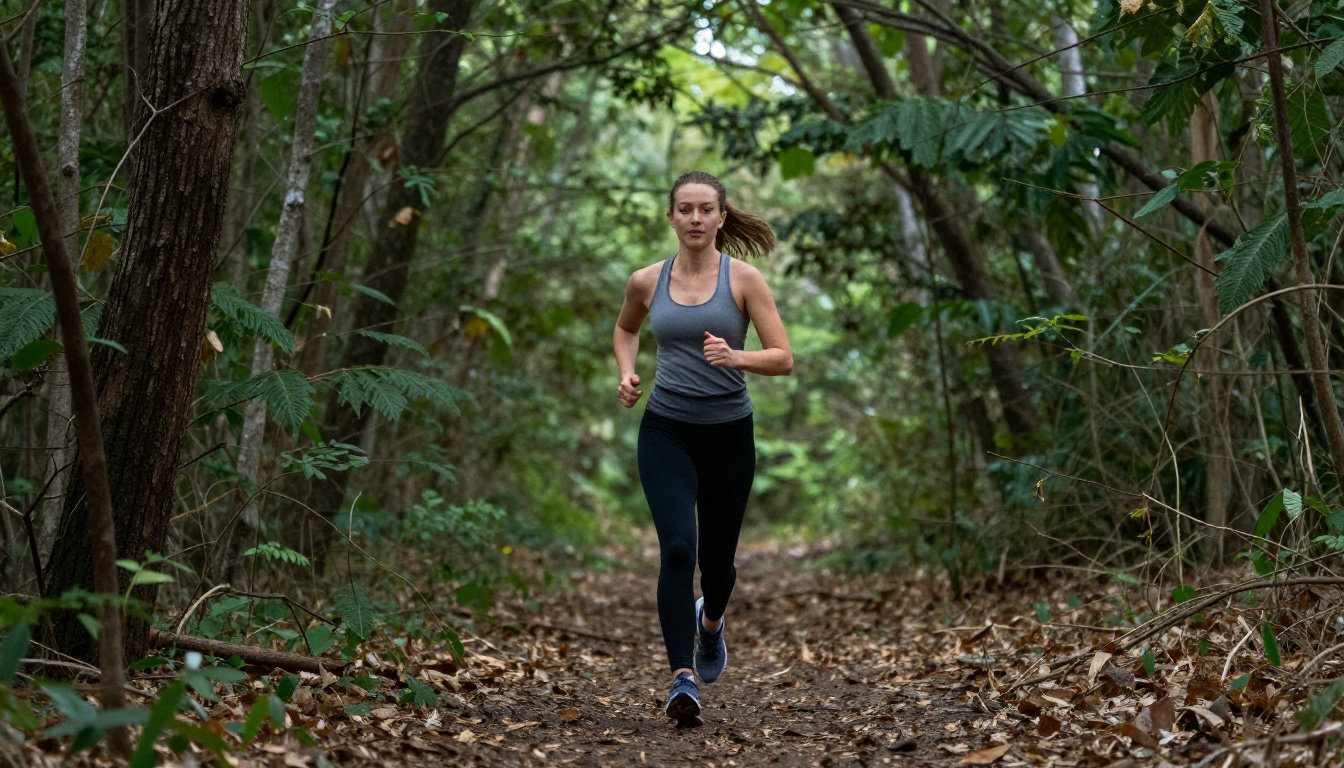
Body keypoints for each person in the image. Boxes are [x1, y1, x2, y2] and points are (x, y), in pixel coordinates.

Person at [612, 171, 793, 727]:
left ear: (720, 217)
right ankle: (681, 677)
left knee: (718, 566)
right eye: (685, 209)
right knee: (676, 550)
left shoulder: (744, 279)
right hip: (666, 429)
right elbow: (625, 329)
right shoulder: (646, 280)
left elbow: (783, 357)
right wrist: (627, 372)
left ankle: (710, 622)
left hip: (729, 435)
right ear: (671, 217)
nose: (695, 218)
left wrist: (737, 357)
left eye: (706, 209)